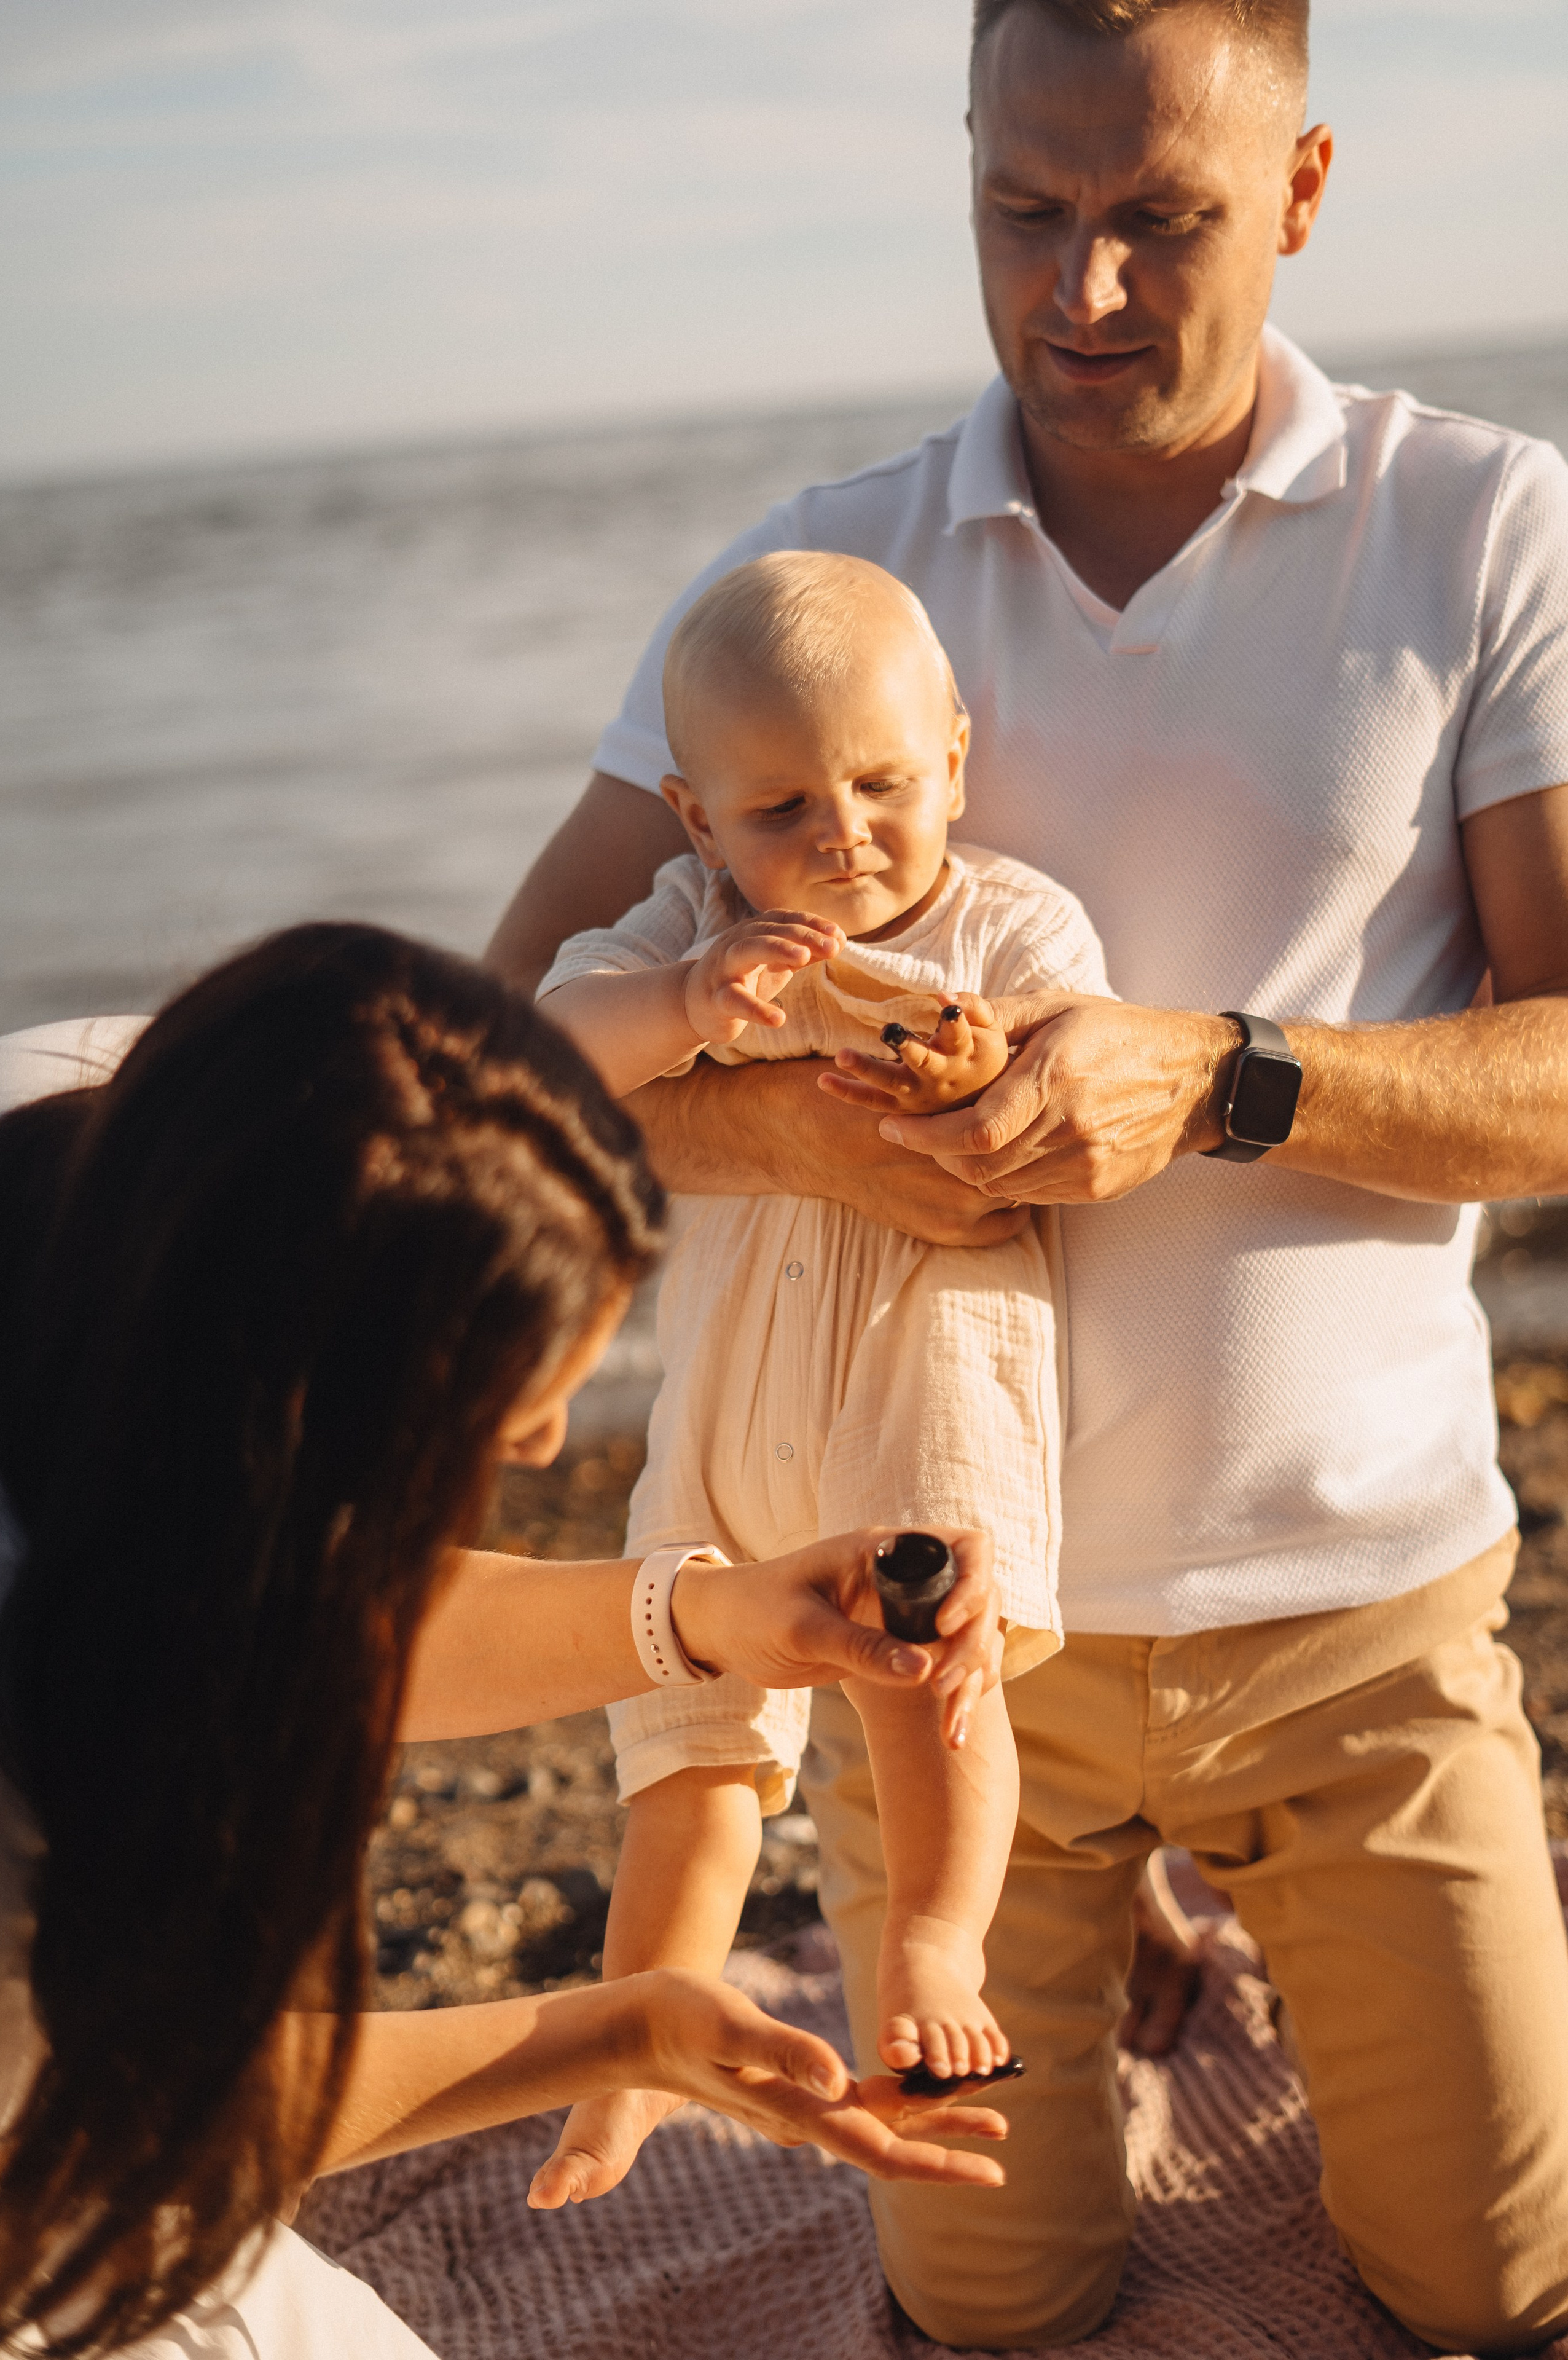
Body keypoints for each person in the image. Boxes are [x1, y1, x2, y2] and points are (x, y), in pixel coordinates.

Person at [485, 0, 1568, 2348]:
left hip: (1362, 1611)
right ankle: (1072, 1935)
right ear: (966, 163)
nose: (1081, 289)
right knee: (987, 2316)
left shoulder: (1487, 523)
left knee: (1499, 2302)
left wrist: (1223, 1081)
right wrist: (787, 1125)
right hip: (926, 1630)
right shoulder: (814, 575)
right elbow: (498, 1041)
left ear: (1298, 190)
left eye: (1160, 221)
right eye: (1024, 211)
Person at [0, 926, 1013, 2360]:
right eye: (490, 1428)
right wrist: (616, 2033)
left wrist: (702, 1613)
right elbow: (154, 2126)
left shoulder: (126, 1141)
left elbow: (282, 1588)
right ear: (294, 1412)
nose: (540, 1451)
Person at [530, 550, 1110, 2200]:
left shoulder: (1010, 921)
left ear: (954, 759)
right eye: (782, 809)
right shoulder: (688, 930)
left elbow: (1079, 1104)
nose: (843, 838)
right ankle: (638, 2043)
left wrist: (978, 1061)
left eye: (880, 785)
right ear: (697, 821)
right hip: (723, 1400)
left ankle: (935, 1942)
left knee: (934, 1662)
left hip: (922, 1373)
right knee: (686, 1745)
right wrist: (684, 1000)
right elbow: (553, 1055)